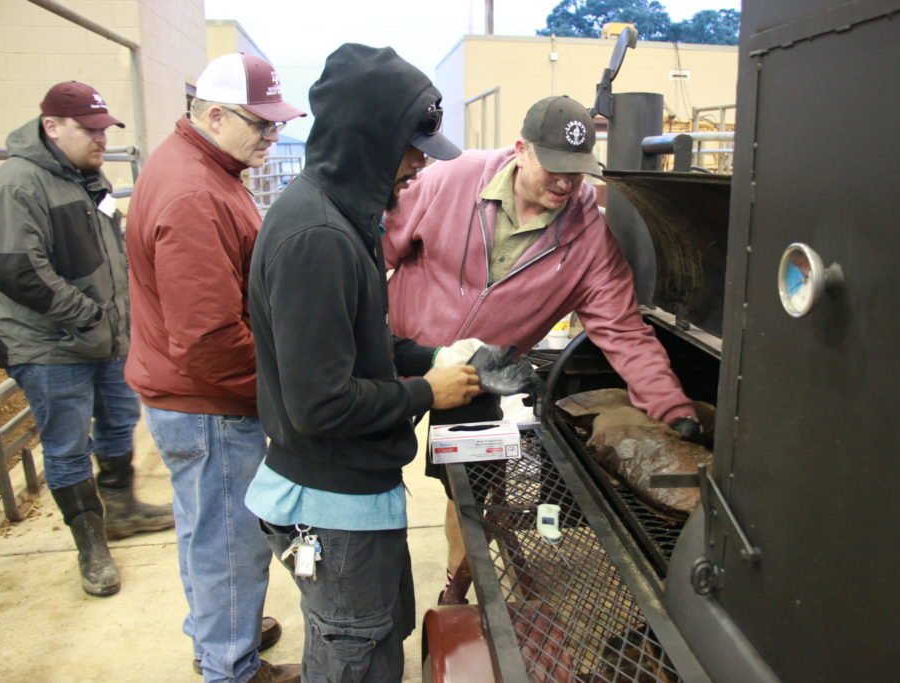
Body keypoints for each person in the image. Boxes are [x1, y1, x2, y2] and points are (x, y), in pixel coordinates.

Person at [382, 95, 703, 600]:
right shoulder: (452, 179)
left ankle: (454, 585)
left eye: (576, 172)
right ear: (520, 150)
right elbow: (379, 246)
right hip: (401, 354)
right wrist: (357, 332)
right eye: (553, 166)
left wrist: (672, 407)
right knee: (374, 467)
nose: (564, 183)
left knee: (466, 490)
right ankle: (373, 565)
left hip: (481, 373)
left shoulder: (589, 240)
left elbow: (622, 329)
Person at [245, 43, 482, 682]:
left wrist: (433, 357)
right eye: (408, 148)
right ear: (368, 139)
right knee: (353, 652)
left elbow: (361, 347)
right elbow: (320, 402)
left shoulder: (344, 221)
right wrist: (426, 393)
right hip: (330, 503)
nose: (416, 167)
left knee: (377, 641)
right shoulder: (315, 239)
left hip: (355, 493)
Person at [124, 53, 303, 683]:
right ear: (216, 114)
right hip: (208, 404)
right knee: (230, 544)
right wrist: (277, 396)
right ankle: (231, 667)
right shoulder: (194, 193)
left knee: (208, 532)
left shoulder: (201, 166)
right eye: (261, 124)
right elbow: (208, 339)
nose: (272, 136)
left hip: (187, 397)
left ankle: (219, 634)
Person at [0, 81, 173, 598]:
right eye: (89, 130)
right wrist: (90, 315)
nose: (100, 139)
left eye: (103, 130)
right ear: (52, 126)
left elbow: (113, 245)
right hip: (52, 345)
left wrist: (121, 316)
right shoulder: (17, 183)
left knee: (118, 420)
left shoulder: (90, 178)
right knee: (67, 446)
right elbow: (19, 271)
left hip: (105, 336)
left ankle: (121, 508)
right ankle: (91, 546)